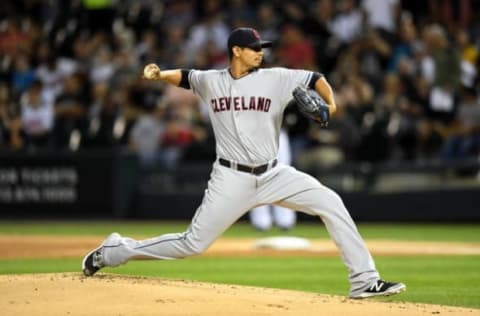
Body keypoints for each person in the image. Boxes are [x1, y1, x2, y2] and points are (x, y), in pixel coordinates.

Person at [82, 27, 406, 299]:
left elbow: (316, 78)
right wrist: (158, 73)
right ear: (236, 51)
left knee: (330, 201)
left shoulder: (277, 78)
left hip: (274, 174)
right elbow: (184, 77)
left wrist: (331, 106)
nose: (259, 53)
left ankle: (364, 281)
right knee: (191, 244)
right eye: (253, 49)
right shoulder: (211, 81)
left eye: (261, 48)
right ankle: (115, 251)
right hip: (230, 178)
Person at [249, 127, 296, 231]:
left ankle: (285, 220)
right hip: (257, 132)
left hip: (278, 130)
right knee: (258, 176)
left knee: (282, 175)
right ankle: (261, 221)